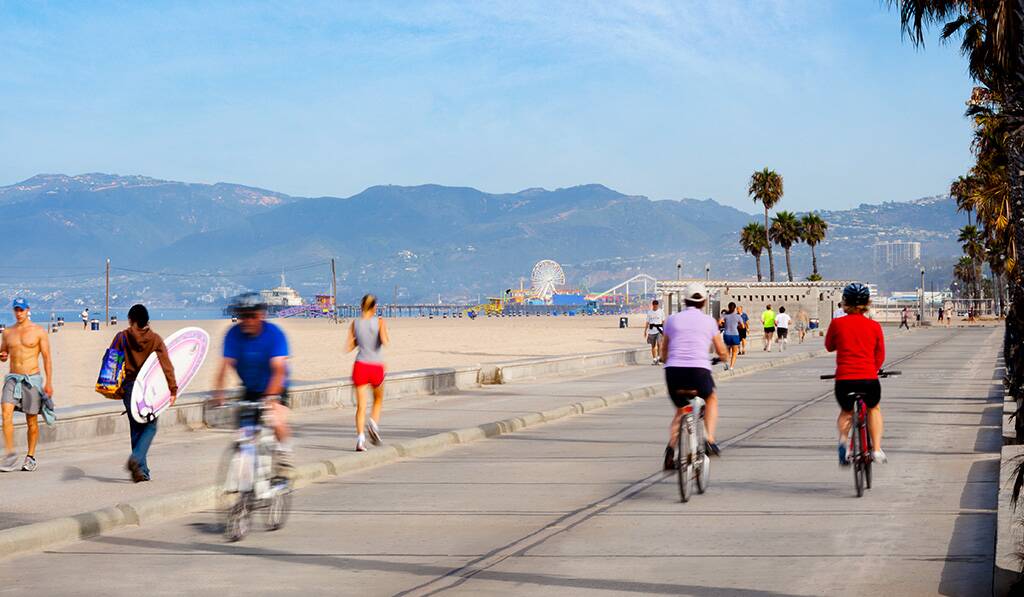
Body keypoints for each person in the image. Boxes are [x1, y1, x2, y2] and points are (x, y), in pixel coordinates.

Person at [215, 293, 293, 476]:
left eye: (253, 315)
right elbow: (224, 367)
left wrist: (271, 398)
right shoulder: (233, 335)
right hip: (250, 388)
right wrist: (218, 394)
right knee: (244, 434)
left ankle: (284, 454)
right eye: (243, 316)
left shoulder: (275, 335)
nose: (248, 320)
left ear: (262, 315)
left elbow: (279, 370)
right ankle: (246, 483)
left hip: (276, 386)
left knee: (275, 419)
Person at [661, 282, 729, 469]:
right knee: (711, 398)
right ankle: (709, 438)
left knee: (682, 409)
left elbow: (664, 350)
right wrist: (722, 358)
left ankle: (670, 450)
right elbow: (721, 350)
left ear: (684, 300)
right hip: (699, 371)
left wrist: (665, 359)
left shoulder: (672, 320)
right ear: (704, 302)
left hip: (674, 372)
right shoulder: (709, 321)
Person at [825, 283, 887, 466]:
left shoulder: (837, 324)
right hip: (868, 378)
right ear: (867, 302)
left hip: (844, 379)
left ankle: (844, 443)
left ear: (845, 302)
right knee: (873, 408)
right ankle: (875, 449)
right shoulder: (874, 326)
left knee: (846, 411)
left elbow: (829, 346)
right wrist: (873, 368)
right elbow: (880, 355)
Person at [114, 304, 177, 482]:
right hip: (149, 388)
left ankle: (140, 470)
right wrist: (173, 389)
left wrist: (114, 387)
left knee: (136, 428)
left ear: (131, 320)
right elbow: (166, 365)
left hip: (129, 387)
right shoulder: (155, 339)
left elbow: (111, 360)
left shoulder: (122, 337)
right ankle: (137, 460)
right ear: (146, 321)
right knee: (150, 426)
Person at [0, 299, 53, 472]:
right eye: (16, 310)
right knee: (6, 414)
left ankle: (30, 457)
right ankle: (10, 455)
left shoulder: (38, 331)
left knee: (31, 421)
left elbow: (46, 357)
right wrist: (2, 355)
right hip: (13, 379)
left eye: (21, 310)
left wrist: (49, 382)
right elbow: (4, 352)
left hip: (32, 379)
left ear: (27, 310)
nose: (19, 313)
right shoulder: (8, 332)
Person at [344, 294, 390, 452]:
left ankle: (360, 439)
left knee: (361, 406)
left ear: (361, 306)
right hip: (376, 365)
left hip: (360, 365)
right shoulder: (380, 321)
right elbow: (385, 341)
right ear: (374, 307)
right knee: (378, 400)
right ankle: (373, 424)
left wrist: (360, 340)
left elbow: (349, 347)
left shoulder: (354, 323)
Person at [720, 302, 743, 369]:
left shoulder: (725, 315)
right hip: (735, 335)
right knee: (735, 352)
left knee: (727, 351)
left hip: (727, 334)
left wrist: (724, 324)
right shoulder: (738, 316)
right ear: (735, 308)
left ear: (728, 307)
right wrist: (738, 326)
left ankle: (726, 363)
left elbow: (719, 322)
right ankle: (731, 367)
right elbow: (743, 326)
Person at [643, 299, 665, 366]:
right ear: (653, 305)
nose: (655, 307)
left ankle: (659, 357)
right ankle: (654, 359)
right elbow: (647, 322)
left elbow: (663, 321)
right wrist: (645, 331)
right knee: (653, 346)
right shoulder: (649, 312)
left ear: (658, 305)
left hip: (659, 330)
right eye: (654, 306)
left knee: (659, 344)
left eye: (656, 306)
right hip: (651, 331)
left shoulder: (661, 312)